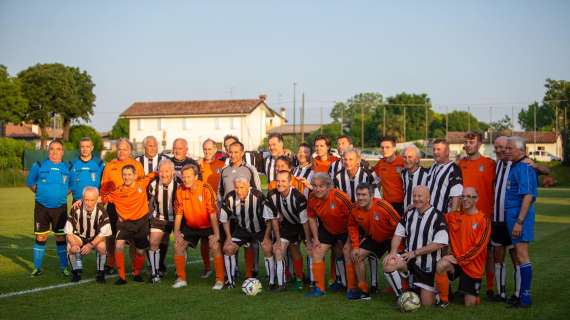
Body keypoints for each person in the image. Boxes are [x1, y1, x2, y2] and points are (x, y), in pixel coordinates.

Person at [383, 186, 448, 306]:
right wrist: (392, 252)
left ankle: (436, 293)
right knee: (389, 263)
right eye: (414, 196)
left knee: (427, 304)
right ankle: (402, 297)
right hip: (409, 260)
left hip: (427, 265)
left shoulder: (437, 216)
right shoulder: (409, 214)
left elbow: (439, 243)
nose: (416, 199)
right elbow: (398, 234)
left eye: (420, 196)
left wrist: (415, 253)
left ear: (428, 198)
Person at [100, 164, 157, 285]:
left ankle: (137, 273)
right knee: (119, 245)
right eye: (124, 175)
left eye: (129, 174)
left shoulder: (142, 183)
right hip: (124, 224)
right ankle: (122, 277)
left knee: (140, 251)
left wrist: (166, 172)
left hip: (141, 223)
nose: (127, 177)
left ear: (135, 175)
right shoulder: (117, 192)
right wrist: (82, 201)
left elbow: (155, 173)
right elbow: (101, 199)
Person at [435, 187, 491, 307]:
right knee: (442, 264)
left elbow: (478, 247)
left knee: (470, 304)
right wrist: (416, 206)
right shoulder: (454, 217)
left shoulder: (483, 220)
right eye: (463, 196)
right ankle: (444, 299)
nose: (465, 199)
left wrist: (459, 259)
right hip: (457, 262)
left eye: (470, 196)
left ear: (477, 199)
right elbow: (434, 216)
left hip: (472, 266)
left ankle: (470, 294)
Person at [171, 164, 225, 290]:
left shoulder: (205, 188)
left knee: (215, 246)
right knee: (178, 245)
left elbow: (212, 213)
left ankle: (220, 280)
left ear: (196, 176)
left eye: (189, 176)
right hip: (191, 225)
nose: (186, 180)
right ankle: (181, 279)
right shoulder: (180, 190)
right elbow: (179, 213)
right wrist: (177, 232)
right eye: (184, 177)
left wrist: (216, 234)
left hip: (208, 224)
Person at [457, 131, 496, 298]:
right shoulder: (459, 164)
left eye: (472, 141)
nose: (468, 145)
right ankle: (464, 287)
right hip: (464, 216)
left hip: (484, 216)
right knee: (463, 251)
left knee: (487, 254)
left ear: (480, 144)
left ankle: (490, 288)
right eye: (466, 142)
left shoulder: (490, 164)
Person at [346, 183, 400, 300]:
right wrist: (355, 246)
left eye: (364, 195)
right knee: (356, 255)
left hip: (392, 238)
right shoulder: (355, 208)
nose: (360, 198)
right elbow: (352, 226)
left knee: (393, 262)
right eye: (358, 194)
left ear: (371, 196)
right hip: (374, 238)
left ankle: (402, 291)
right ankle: (363, 290)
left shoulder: (383, 206)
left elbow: (400, 226)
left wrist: (396, 248)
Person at [100, 138, 144, 274]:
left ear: (130, 151)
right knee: (111, 236)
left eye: (125, 149)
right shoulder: (109, 165)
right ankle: (110, 263)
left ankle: (134, 265)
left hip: (132, 207)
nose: (122, 151)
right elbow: (104, 188)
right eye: (119, 148)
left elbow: (142, 186)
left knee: (133, 238)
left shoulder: (136, 165)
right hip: (113, 206)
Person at [26, 140, 71, 276]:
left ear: (62, 152)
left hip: (60, 209)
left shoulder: (67, 167)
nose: (55, 152)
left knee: (61, 238)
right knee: (41, 237)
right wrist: (39, 191)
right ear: (48, 150)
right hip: (42, 208)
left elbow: (71, 185)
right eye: (52, 149)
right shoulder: (38, 165)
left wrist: (62, 193)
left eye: (58, 149)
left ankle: (64, 267)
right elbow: (30, 182)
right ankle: (37, 267)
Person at [220, 177, 273, 288]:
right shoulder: (230, 197)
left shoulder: (258, 196)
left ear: (248, 186)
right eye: (237, 188)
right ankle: (230, 282)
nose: (239, 191)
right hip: (242, 230)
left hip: (260, 229)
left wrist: (267, 237)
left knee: (267, 248)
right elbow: (225, 219)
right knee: (228, 248)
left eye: (242, 188)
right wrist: (229, 237)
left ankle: (271, 281)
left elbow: (269, 219)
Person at [305, 173, 352, 297]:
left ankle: (350, 287)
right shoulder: (312, 197)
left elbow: (353, 218)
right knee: (317, 251)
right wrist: (315, 239)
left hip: (346, 229)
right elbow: (311, 218)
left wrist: (349, 241)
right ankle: (319, 288)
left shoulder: (340, 197)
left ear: (328, 186)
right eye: (314, 186)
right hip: (327, 228)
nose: (317, 189)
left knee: (344, 252)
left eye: (321, 186)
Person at [504, 136, 537, 308]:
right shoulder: (515, 165)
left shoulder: (524, 167)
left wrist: (519, 221)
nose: (506, 151)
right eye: (506, 148)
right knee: (518, 254)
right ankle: (520, 295)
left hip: (519, 216)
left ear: (521, 150)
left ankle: (525, 297)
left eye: (510, 148)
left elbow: (528, 196)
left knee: (522, 254)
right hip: (513, 215)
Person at [263, 170, 310, 291]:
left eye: (283, 181)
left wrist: (308, 240)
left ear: (290, 182)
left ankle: (303, 279)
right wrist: (278, 240)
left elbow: (304, 221)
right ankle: (281, 284)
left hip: (301, 226)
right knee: (278, 250)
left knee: (306, 251)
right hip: (286, 226)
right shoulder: (272, 195)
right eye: (278, 181)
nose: (280, 183)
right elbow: (273, 219)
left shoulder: (299, 197)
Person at [65, 187, 111, 283]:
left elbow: (103, 233)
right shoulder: (76, 208)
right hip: (80, 237)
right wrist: (74, 244)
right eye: (86, 200)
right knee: (70, 246)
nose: (88, 203)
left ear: (97, 199)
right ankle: (76, 272)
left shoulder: (102, 211)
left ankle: (100, 272)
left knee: (102, 246)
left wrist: (91, 245)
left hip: (95, 237)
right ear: (82, 198)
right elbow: (68, 232)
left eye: (92, 200)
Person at [147, 159, 180, 282]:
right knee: (153, 243)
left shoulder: (180, 184)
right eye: (161, 171)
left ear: (172, 172)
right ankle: (155, 273)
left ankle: (179, 272)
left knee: (179, 244)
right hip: (159, 217)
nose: (164, 174)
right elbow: (149, 203)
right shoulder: (153, 185)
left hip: (177, 219)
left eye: (167, 171)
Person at [198, 138, 226, 278]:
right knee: (204, 239)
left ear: (215, 149)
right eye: (205, 149)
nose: (207, 152)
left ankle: (221, 267)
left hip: (218, 207)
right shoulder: (198, 165)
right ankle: (207, 267)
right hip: (202, 207)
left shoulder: (222, 164)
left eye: (209, 149)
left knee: (219, 238)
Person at [426, 139, 463, 214]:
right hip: (429, 214)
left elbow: (456, 196)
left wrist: (451, 218)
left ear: (447, 152)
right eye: (434, 149)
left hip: (443, 216)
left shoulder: (454, 169)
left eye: (439, 149)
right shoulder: (433, 167)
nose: (435, 152)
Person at [373, 136, 405, 215]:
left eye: (387, 147)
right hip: (386, 204)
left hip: (402, 204)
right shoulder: (380, 164)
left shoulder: (403, 163)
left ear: (394, 148)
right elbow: (377, 181)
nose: (384, 150)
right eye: (382, 147)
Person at [69, 137, 105, 202]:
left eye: (87, 147)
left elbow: (105, 183)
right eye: (82, 147)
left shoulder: (99, 163)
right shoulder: (72, 163)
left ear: (92, 148)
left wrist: (103, 197)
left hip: (95, 202)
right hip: (77, 201)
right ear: (79, 148)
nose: (85, 149)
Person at [401, 145, 429, 212]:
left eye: (410, 157)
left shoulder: (427, 174)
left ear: (417, 160)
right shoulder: (403, 173)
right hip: (405, 212)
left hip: (421, 212)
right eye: (405, 157)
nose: (407, 160)